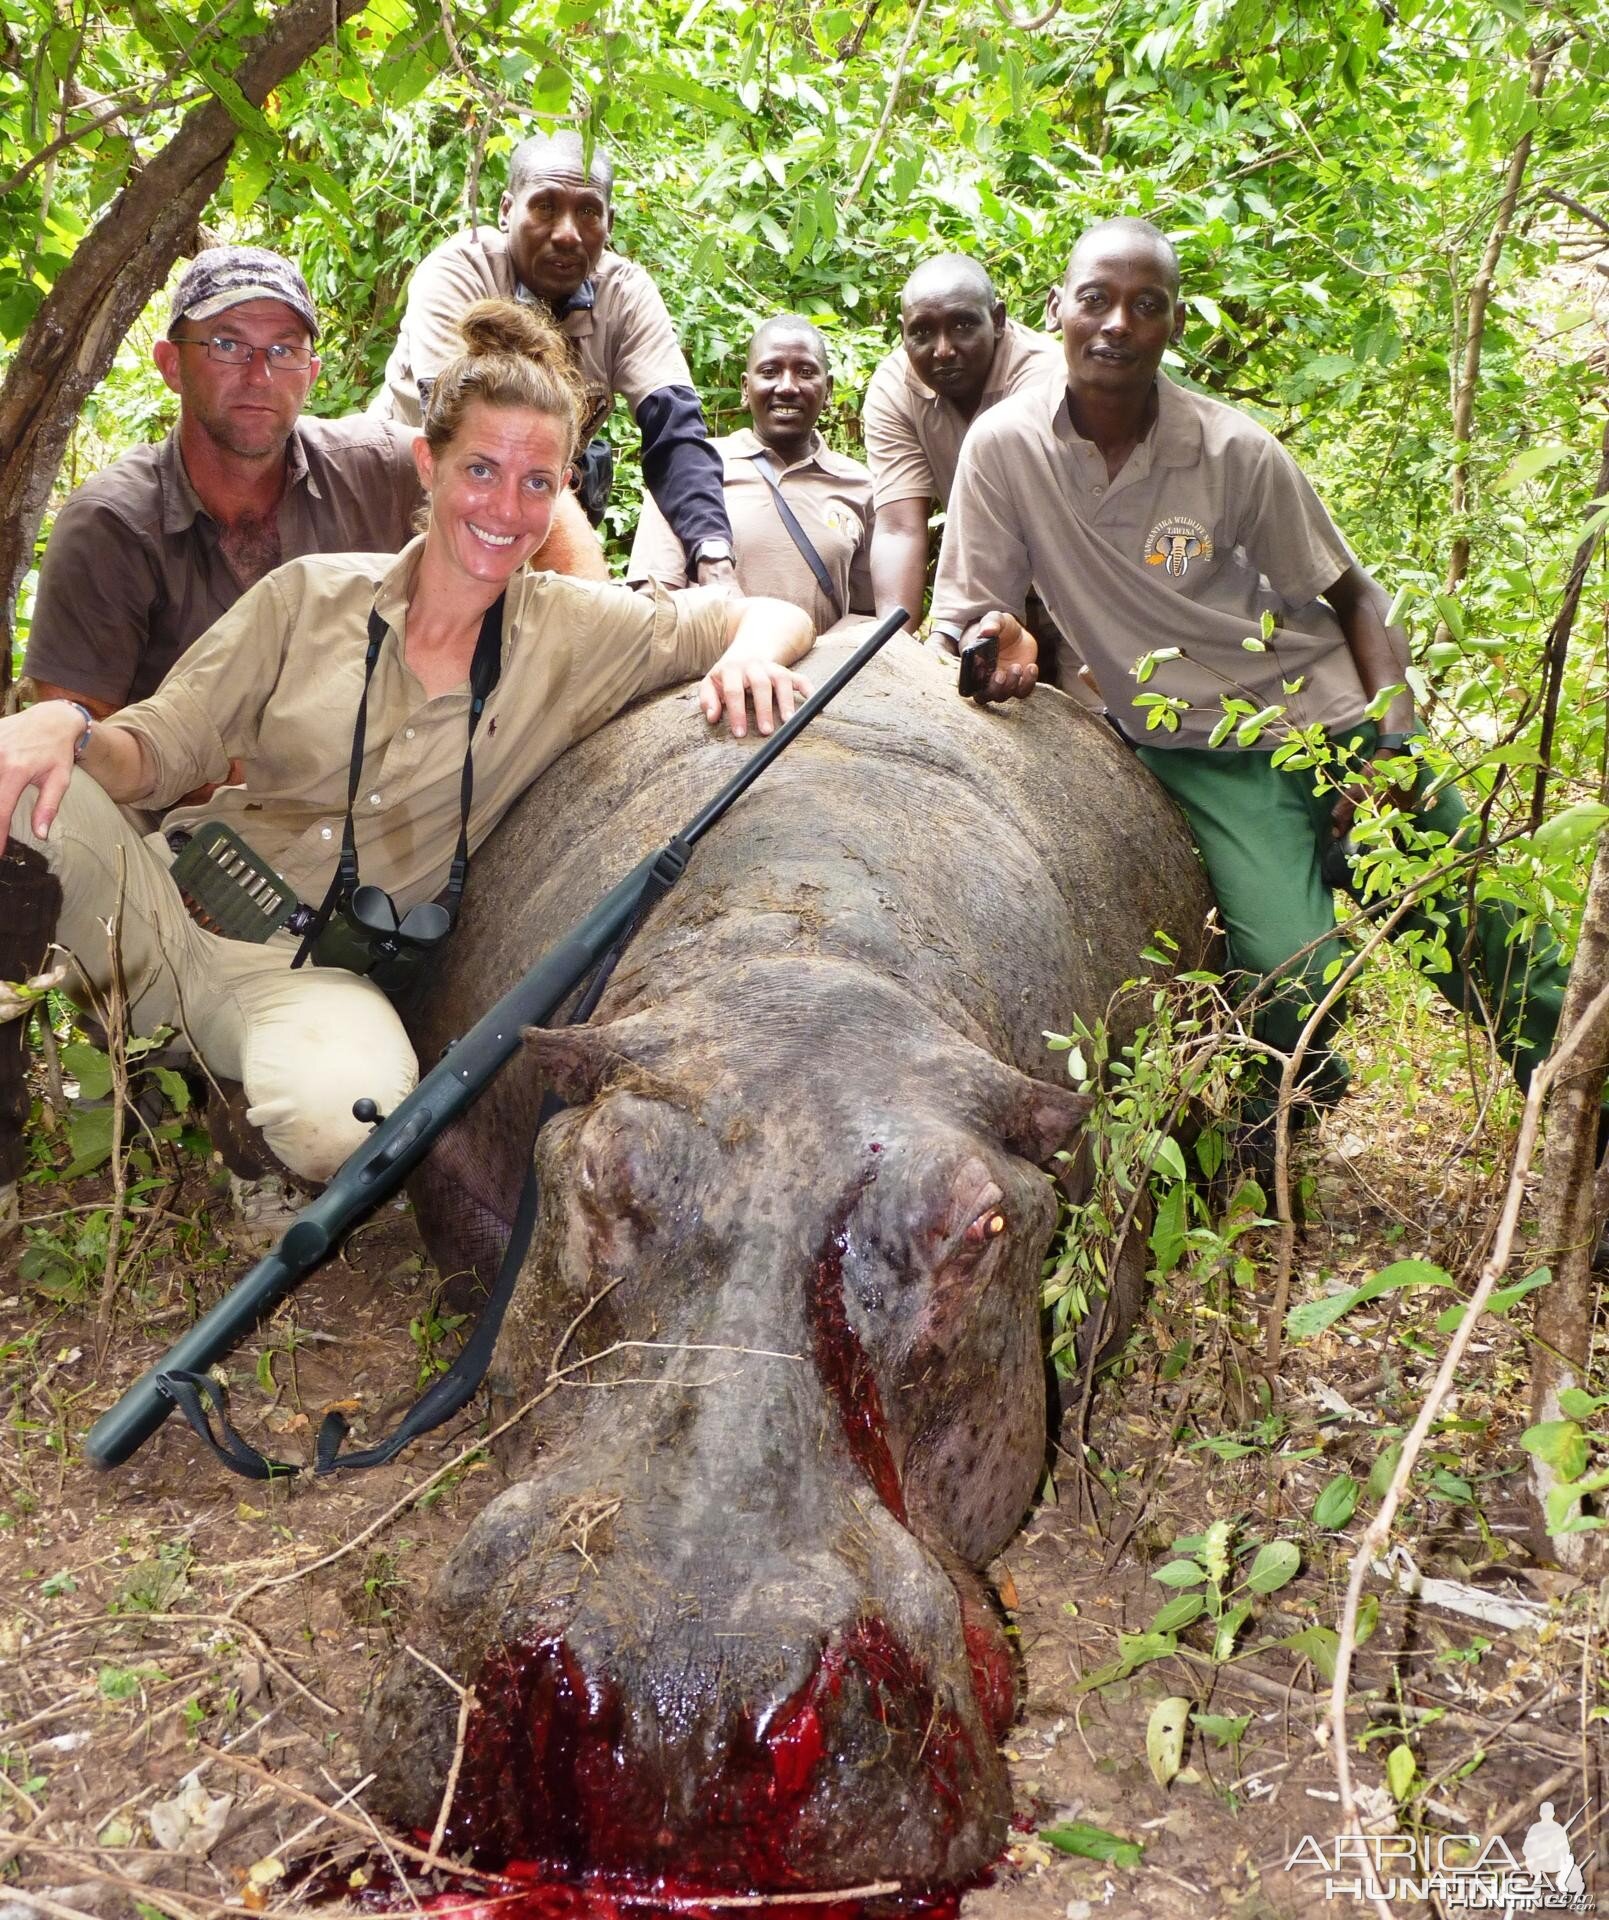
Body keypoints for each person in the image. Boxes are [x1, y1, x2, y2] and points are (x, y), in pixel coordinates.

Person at [0, 300, 813, 1244]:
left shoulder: (574, 634)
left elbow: (763, 612)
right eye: (480, 470)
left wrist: (751, 654)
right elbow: (159, 748)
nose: (504, 509)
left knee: (357, 1121)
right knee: (14, 781)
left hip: (306, 976)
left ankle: (236, 1114)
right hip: (163, 912)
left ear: (562, 496)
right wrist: (64, 728)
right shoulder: (310, 595)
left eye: (536, 482)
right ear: (427, 467)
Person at [931, 216, 1580, 1143]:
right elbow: (967, 611)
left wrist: (1395, 743)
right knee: (1288, 973)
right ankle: (1285, 1110)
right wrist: (999, 641)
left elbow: (1355, 596)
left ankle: (1582, 1145)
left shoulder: (1232, 450)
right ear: (1054, 312)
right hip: (1202, 753)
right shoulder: (1004, 449)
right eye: (1095, 300)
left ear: (1174, 326)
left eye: (1144, 306)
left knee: (1503, 943)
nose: (1116, 324)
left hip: (1332, 721)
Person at [22, 244, 605, 721]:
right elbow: (74, 734)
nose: (260, 374)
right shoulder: (111, 525)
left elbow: (529, 496)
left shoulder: (376, 466)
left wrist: (586, 629)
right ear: (172, 363)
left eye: (285, 349)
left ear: (312, 373)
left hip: (366, 820)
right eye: (227, 345)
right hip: (172, 827)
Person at [373, 130, 735, 582]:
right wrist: (592, 593)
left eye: (587, 212)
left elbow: (676, 432)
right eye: (545, 206)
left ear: (610, 223)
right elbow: (466, 434)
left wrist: (714, 557)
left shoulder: (625, 294)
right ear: (507, 212)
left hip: (521, 498)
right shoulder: (458, 273)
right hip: (404, 490)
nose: (567, 234)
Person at [626, 315, 874, 634]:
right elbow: (656, 603)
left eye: (806, 372)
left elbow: (866, 617)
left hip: (825, 679)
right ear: (746, 388)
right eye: (770, 372)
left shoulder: (860, 485)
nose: (787, 387)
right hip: (712, 674)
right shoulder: (688, 471)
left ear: (828, 390)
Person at [863, 254, 1059, 632]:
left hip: (1069, 574)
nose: (943, 350)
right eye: (921, 332)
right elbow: (899, 528)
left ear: (998, 320)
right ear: (903, 332)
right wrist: (892, 650)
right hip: (985, 589)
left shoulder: (1045, 376)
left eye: (963, 325)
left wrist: (952, 628)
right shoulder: (894, 388)